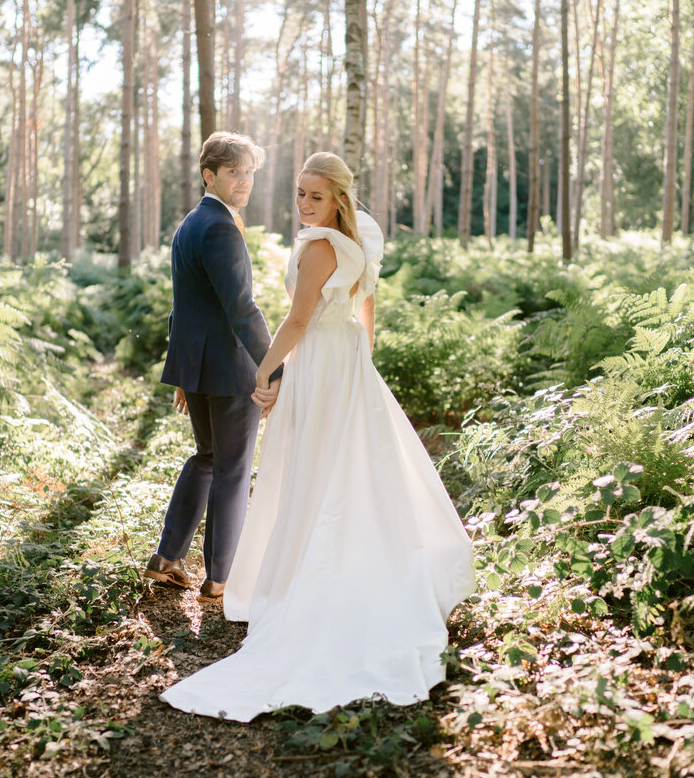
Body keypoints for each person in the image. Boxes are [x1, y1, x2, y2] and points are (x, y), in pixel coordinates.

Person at [161, 152, 475, 721]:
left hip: (320, 359)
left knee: (310, 467)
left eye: (315, 196)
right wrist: (361, 359)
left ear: (337, 200)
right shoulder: (359, 242)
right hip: (346, 359)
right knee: (357, 465)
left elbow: (298, 318)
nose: (304, 204)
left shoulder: (316, 246)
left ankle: (286, 576)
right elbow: (365, 306)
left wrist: (265, 371)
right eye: (300, 194)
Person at [148, 131, 280, 603]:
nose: (244, 182)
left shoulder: (190, 223)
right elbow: (241, 308)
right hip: (228, 370)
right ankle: (222, 578)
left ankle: (166, 559)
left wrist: (185, 372)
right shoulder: (221, 226)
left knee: (207, 458)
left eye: (249, 173)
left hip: (199, 367)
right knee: (233, 469)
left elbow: (183, 306)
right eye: (234, 172)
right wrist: (275, 368)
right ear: (210, 175)